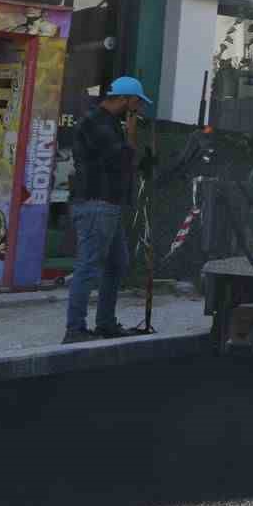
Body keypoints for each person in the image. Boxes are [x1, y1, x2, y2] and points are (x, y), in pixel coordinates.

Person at [63, 77, 152, 343]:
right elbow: (120, 159)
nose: (138, 108)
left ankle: (105, 323)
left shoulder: (109, 123)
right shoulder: (96, 122)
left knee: (116, 263)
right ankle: (75, 329)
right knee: (88, 266)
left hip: (107, 205)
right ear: (125, 98)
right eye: (136, 102)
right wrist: (132, 136)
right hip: (96, 204)